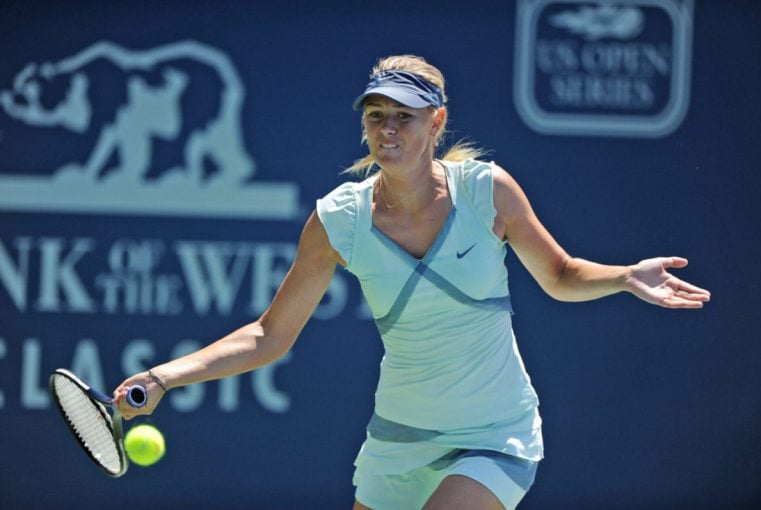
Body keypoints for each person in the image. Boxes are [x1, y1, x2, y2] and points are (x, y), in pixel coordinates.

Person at [114, 55, 711, 509]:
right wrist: (163, 376)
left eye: (405, 116)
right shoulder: (338, 220)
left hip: (495, 436)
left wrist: (624, 276)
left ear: (438, 122)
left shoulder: (487, 191)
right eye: (377, 117)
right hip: (396, 440)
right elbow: (270, 335)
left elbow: (559, 276)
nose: (389, 129)